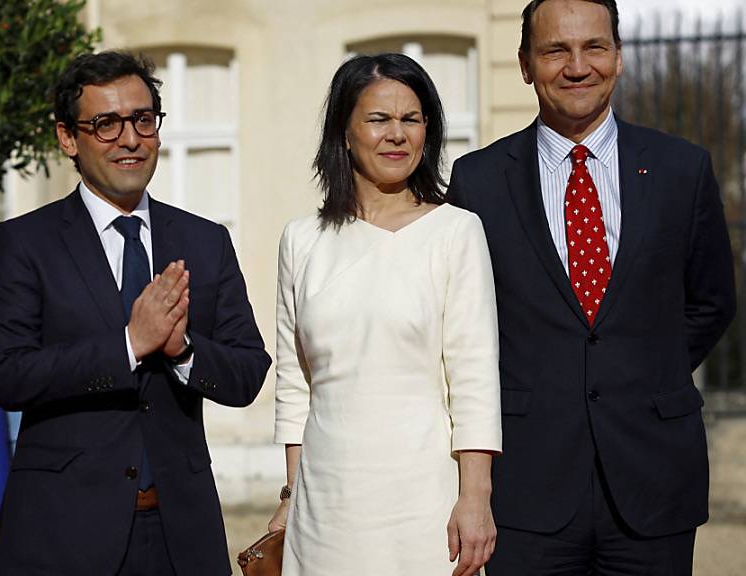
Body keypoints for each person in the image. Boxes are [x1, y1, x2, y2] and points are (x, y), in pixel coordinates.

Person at [446, 1, 737, 573]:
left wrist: (645, 369)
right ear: (526, 64)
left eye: (594, 47)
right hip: (528, 486)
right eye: (556, 50)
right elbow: (465, 325)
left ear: (619, 58)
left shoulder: (683, 169)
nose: (577, 66)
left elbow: (711, 301)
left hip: (654, 480)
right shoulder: (477, 182)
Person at [0, 51, 271, 576]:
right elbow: (8, 374)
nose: (130, 138)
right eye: (106, 124)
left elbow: (249, 372)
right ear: (68, 138)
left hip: (181, 534)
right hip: (63, 532)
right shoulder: (25, 242)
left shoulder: (204, 242)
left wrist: (182, 350)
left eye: (143, 119)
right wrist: (129, 345)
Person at [268, 53, 502, 576]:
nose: (396, 134)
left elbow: (474, 377)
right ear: (344, 133)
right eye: (378, 119)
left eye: (411, 119)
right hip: (324, 505)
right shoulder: (301, 240)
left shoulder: (457, 231)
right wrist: (291, 496)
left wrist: (476, 498)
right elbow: (294, 385)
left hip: (427, 505)